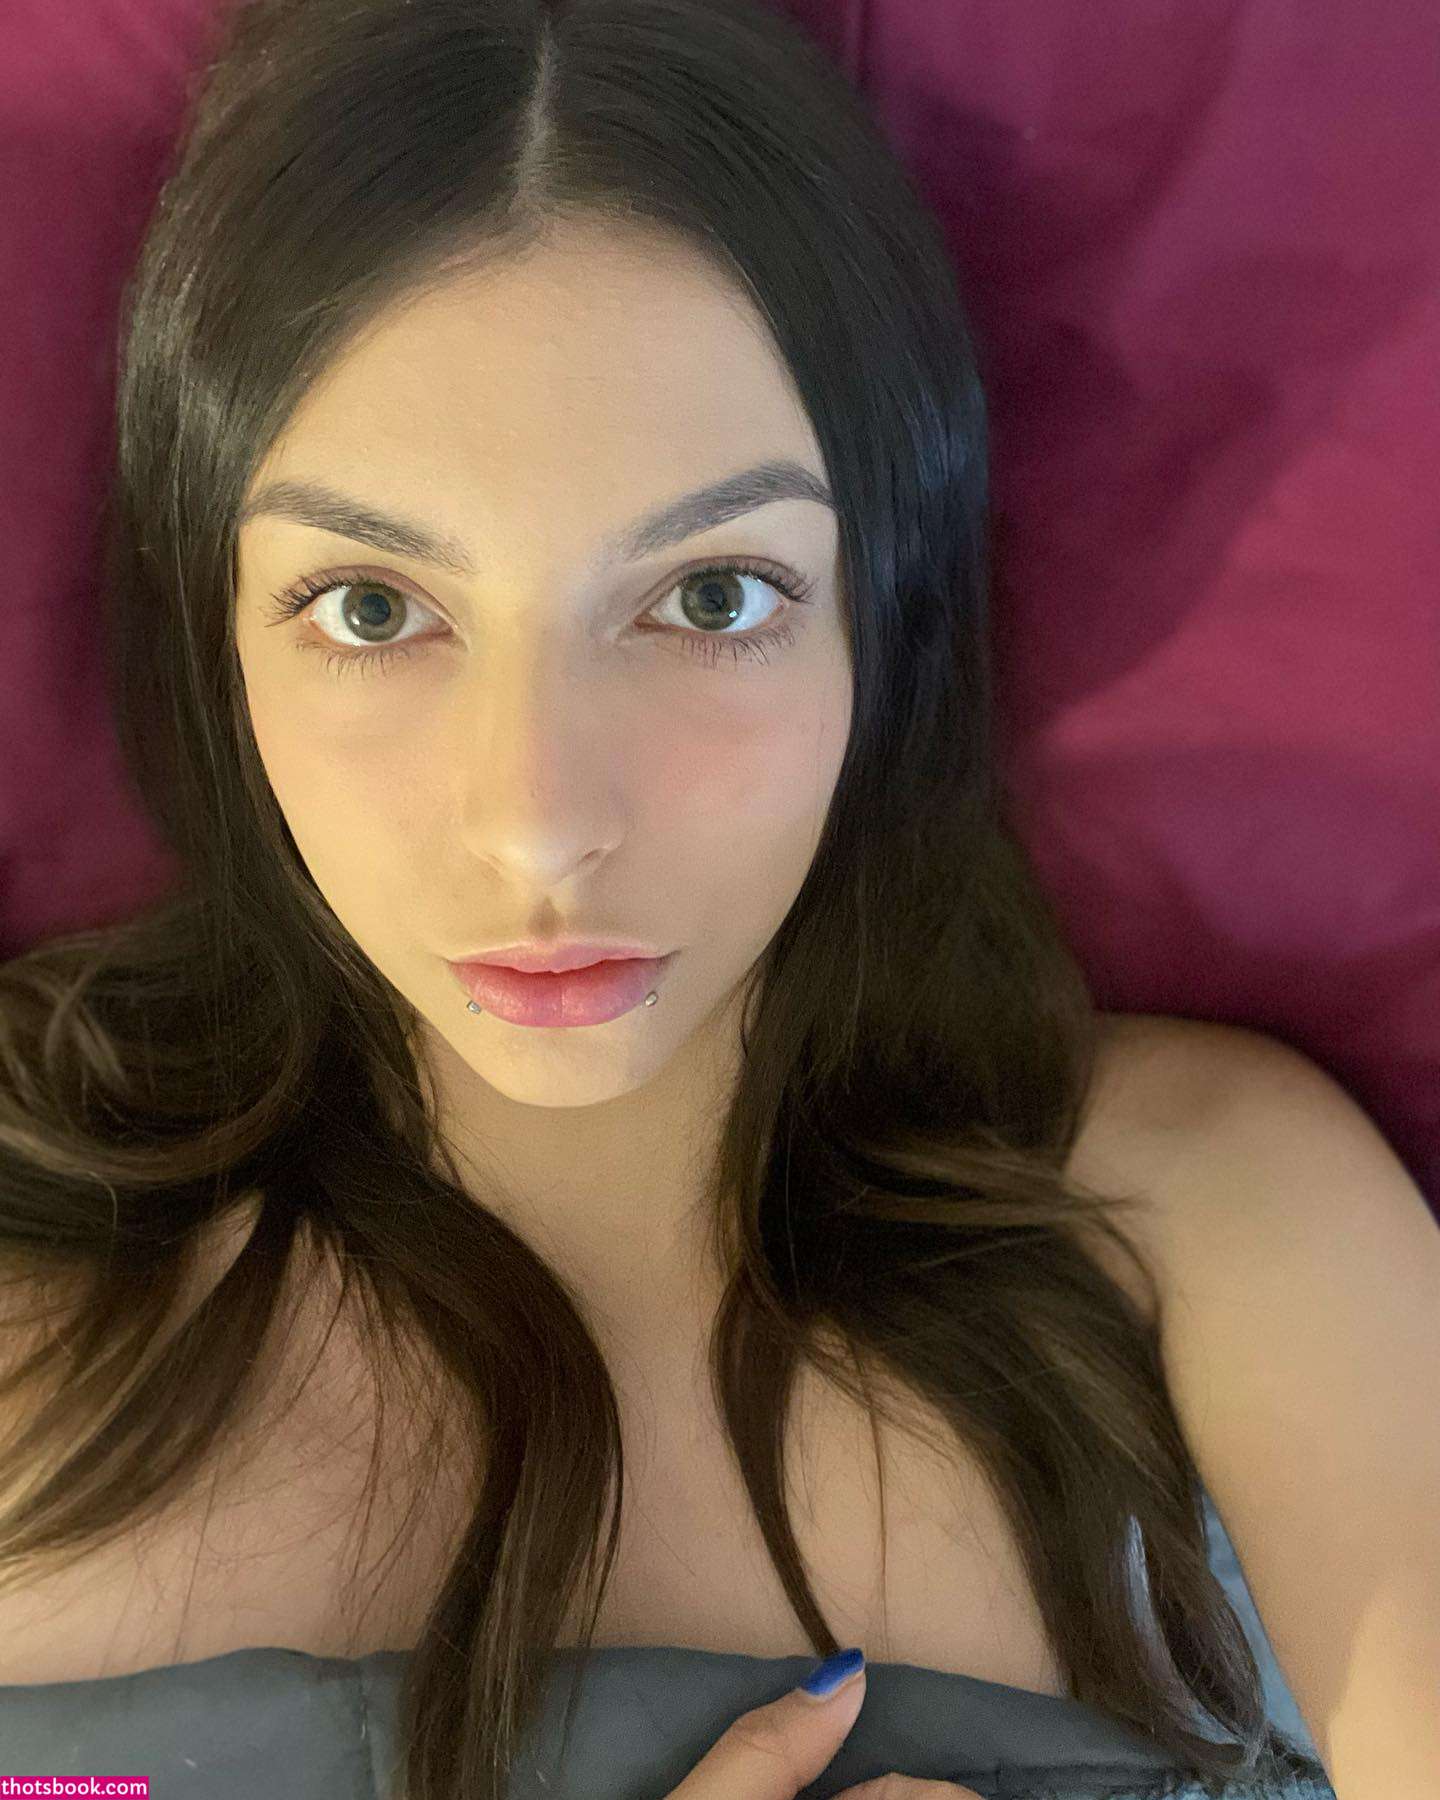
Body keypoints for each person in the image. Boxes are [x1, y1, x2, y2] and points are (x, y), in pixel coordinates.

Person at [0, 0, 1338, 1796]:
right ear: (215, 641)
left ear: (883, 613)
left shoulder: (1199, 1217)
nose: (541, 829)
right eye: (373, 609)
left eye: (712, 597)